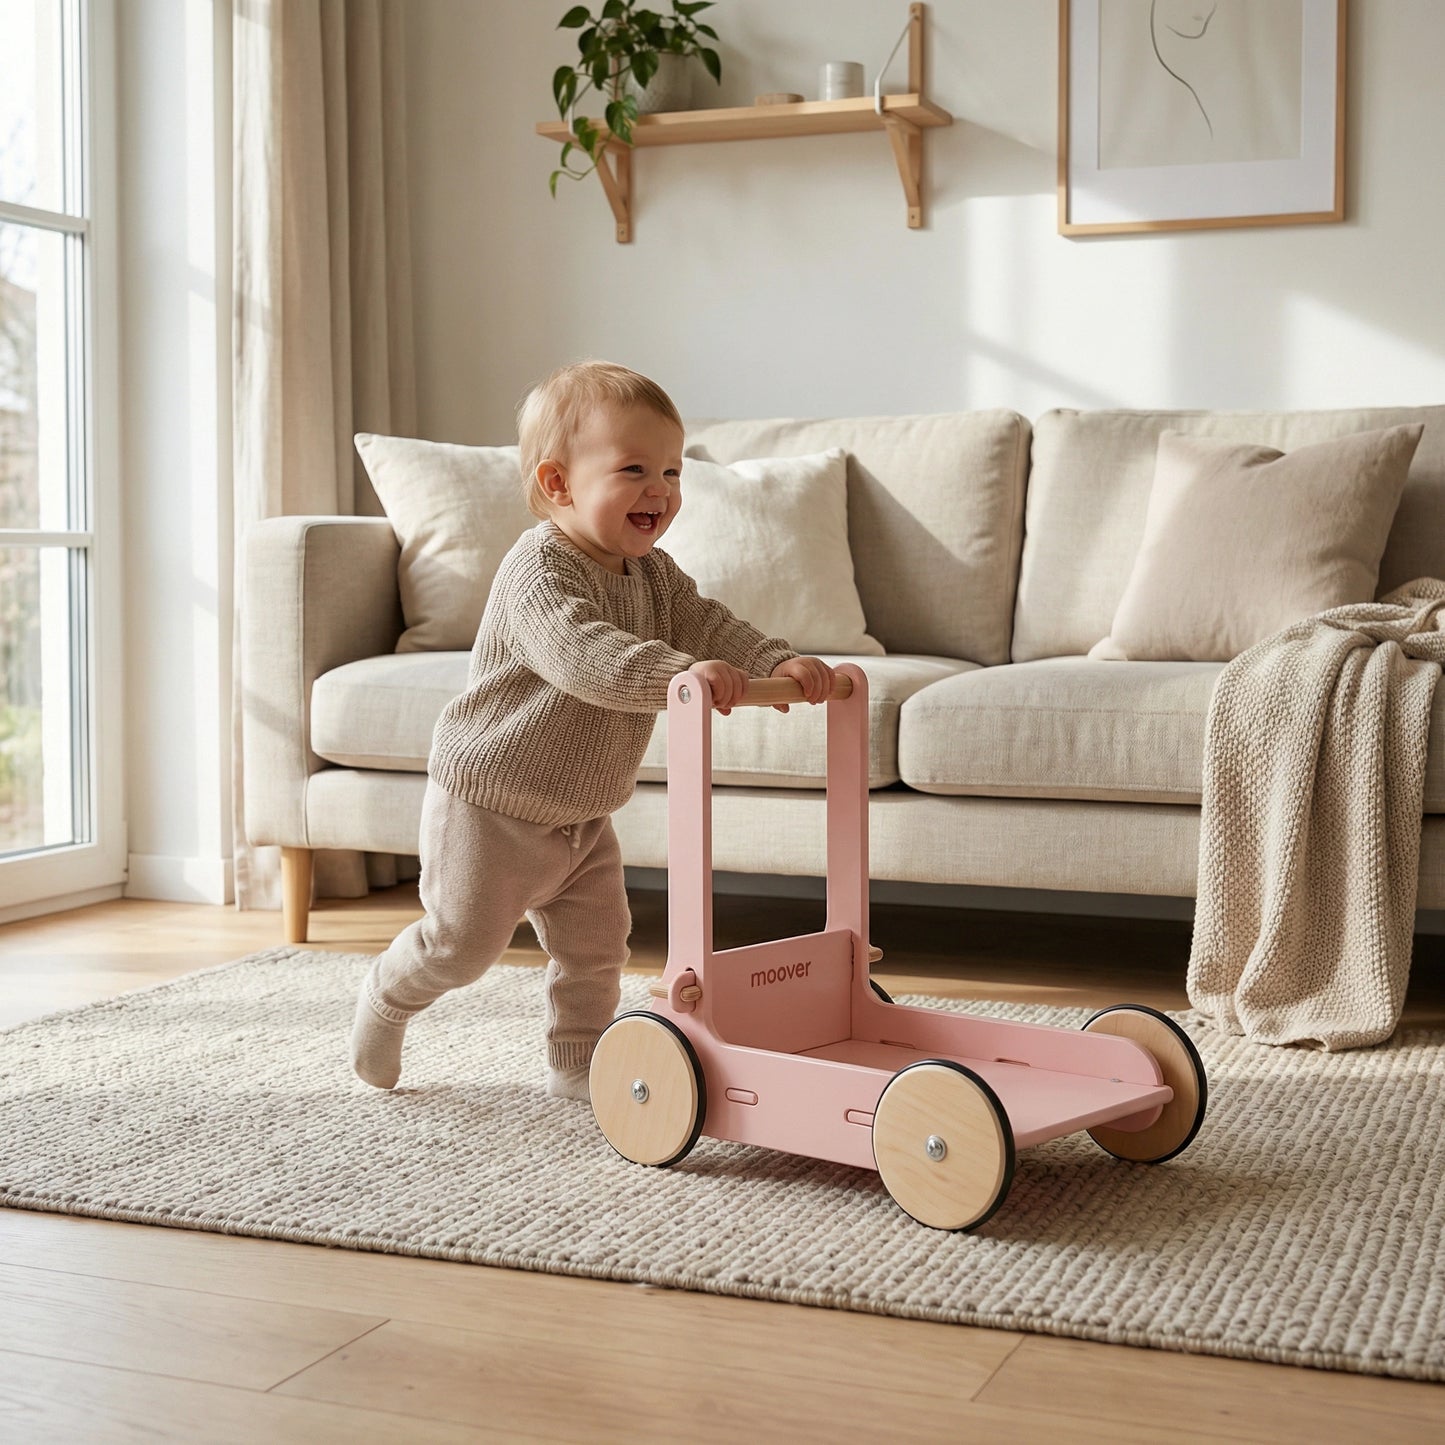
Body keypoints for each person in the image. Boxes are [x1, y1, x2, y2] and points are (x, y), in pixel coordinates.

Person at [350, 360, 836, 1100]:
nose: (661, 490)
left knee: (598, 948)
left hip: (581, 813)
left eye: (672, 471)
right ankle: (386, 996)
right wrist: (680, 673)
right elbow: (582, 654)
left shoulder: (654, 574)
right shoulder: (538, 570)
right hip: (492, 805)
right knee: (461, 946)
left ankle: (575, 1062)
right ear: (558, 483)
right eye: (634, 469)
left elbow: (708, 620)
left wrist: (774, 660)